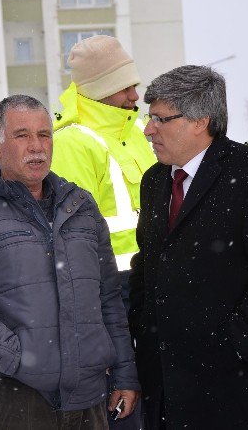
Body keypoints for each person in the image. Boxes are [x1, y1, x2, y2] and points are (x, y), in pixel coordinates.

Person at [0, 95, 140, 430]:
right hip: (12, 399)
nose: (37, 147)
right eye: (22, 135)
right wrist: (20, 357)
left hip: (88, 399)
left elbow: (108, 299)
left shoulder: (81, 207)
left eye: (44, 135)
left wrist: (125, 371)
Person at [128, 65, 248, 429]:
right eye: (149, 118)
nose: (148, 130)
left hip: (237, 391)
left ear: (200, 121)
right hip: (167, 390)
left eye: (160, 119)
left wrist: (234, 345)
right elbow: (148, 267)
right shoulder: (154, 181)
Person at [51, 35, 156, 311]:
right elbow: (75, 233)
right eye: (124, 87)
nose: (134, 95)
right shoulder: (72, 142)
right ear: (99, 90)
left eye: (133, 85)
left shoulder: (136, 130)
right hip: (112, 285)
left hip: (154, 275)